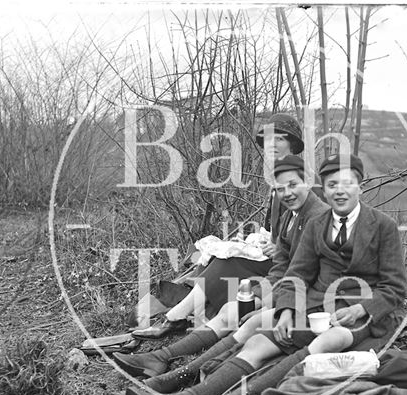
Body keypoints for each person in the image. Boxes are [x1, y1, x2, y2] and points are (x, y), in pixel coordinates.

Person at [124, 153, 407, 395]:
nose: (340, 192)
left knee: (325, 343)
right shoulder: (317, 225)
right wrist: (286, 310)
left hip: (363, 314)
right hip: (315, 305)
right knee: (257, 342)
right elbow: (298, 272)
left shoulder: (383, 226)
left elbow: (394, 287)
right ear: (326, 188)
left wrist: (360, 309)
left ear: (360, 185)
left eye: (347, 184)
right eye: (333, 185)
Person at [113, 150, 328, 381]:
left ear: (307, 181)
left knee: (233, 314)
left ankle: (169, 364)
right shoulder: (293, 215)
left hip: (306, 296)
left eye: (293, 185)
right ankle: (161, 358)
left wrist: (271, 303)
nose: (287, 193)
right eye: (280, 188)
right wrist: (257, 295)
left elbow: (308, 273)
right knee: (232, 308)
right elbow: (281, 266)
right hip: (284, 285)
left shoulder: (319, 217)